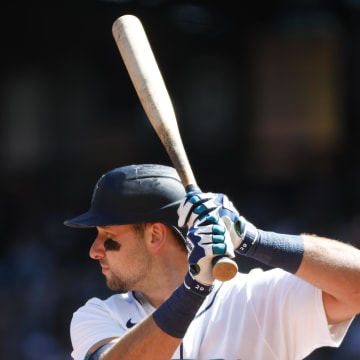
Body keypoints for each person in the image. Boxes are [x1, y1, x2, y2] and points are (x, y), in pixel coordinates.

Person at [64, 163, 360, 360]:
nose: (95, 250)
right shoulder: (99, 316)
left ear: (155, 236)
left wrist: (253, 240)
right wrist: (194, 288)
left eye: (108, 235)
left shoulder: (256, 297)